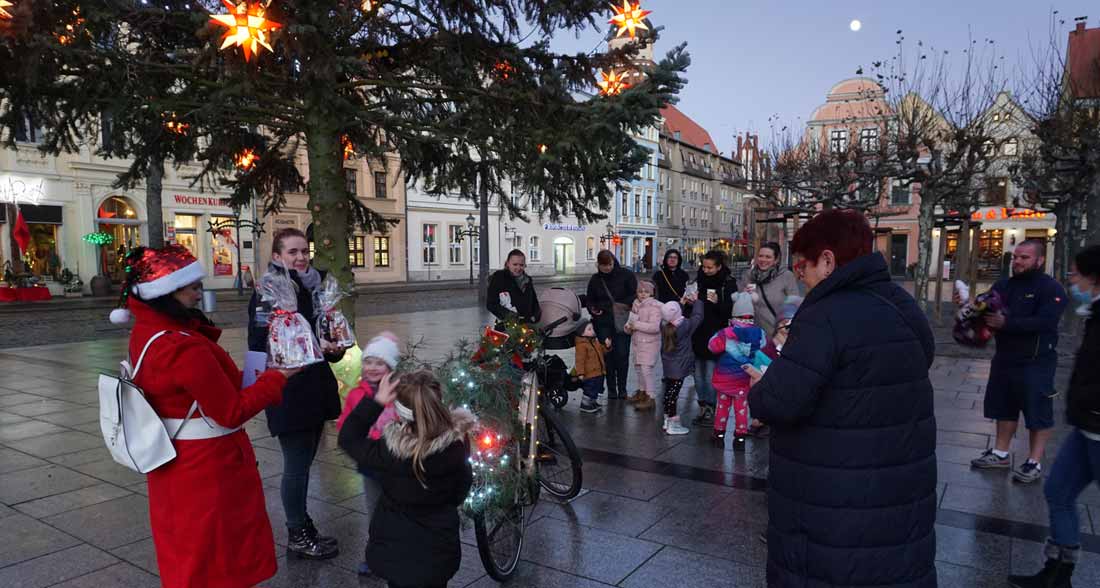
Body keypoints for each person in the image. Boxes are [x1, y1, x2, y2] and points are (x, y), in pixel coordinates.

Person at [747, 209, 936, 587]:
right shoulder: (900, 303)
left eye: (803, 265)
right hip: (897, 491)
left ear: (829, 261)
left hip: (832, 497)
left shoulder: (824, 315)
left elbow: (779, 401)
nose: (799, 275)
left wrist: (760, 386)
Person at [108, 244, 296, 588]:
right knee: (219, 557)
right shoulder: (184, 346)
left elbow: (203, 390)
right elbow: (230, 412)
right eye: (191, 286)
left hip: (172, 462)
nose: (199, 292)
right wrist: (277, 378)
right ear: (166, 292)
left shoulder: (149, 333)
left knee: (186, 552)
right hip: (209, 469)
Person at [248, 228, 346, 560]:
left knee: (304, 464)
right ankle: (297, 534)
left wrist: (333, 349)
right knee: (296, 465)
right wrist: (254, 389)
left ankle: (303, 525)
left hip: (314, 389)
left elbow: (325, 344)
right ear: (277, 257)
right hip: (286, 391)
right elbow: (255, 342)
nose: (301, 257)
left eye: (305, 251)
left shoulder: (314, 288)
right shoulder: (267, 292)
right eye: (292, 252)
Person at [1008, 245, 1100, 588]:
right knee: (1059, 492)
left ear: (1093, 278)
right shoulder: (1094, 313)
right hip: (1085, 426)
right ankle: (1058, 572)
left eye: (1075, 273)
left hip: (1097, 425)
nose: (1070, 280)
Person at [338, 371, 475, 588]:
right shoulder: (457, 445)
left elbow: (348, 438)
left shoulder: (388, 452)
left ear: (400, 414)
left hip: (394, 552)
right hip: (437, 552)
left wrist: (376, 402)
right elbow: (462, 487)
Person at [964, 239, 1068, 483]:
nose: (1018, 262)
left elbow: (1046, 322)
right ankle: (1000, 454)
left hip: (1037, 361)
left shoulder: (1051, 288)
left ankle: (1034, 462)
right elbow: (984, 306)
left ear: (1040, 260)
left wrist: (1007, 323)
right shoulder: (1004, 285)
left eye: (1025, 257)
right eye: (1016, 257)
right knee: (1003, 407)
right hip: (1005, 358)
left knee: (1038, 413)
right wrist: (970, 306)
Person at [335, 332, 401, 576]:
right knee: (374, 511)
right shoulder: (356, 394)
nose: (372, 367)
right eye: (368, 361)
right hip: (371, 467)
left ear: (390, 367)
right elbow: (345, 426)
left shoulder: (399, 394)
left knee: (399, 509)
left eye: (379, 363)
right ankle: (375, 555)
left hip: (396, 465)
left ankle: (398, 550)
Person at [707, 292, 769, 449]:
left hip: (725, 378)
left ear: (734, 315)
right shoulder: (760, 334)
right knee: (741, 409)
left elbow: (712, 347)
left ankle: (719, 434)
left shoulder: (726, 333)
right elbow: (763, 349)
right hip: (744, 378)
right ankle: (740, 438)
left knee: (722, 407)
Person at [689, 249, 738, 426]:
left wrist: (718, 303)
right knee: (697, 373)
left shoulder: (728, 283)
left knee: (710, 372)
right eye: (704, 267)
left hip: (715, 333)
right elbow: (692, 309)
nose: (706, 270)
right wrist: (689, 302)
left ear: (719, 266)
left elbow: (731, 310)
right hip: (698, 332)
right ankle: (702, 405)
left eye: (710, 267)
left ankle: (711, 406)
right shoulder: (699, 280)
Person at [585, 250, 637, 399]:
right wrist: (593, 309)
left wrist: (622, 304)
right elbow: (590, 299)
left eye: (610, 264)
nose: (607, 268)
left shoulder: (626, 275)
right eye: (604, 266)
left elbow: (634, 294)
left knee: (622, 355)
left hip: (622, 321)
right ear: (598, 265)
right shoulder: (595, 279)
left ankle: (622, 388)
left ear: (614, 262)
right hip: (603, 323)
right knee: (607, 356)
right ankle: (611, 390)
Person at [659, 293, 705, 435]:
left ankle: (667, 419)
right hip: (679, 366)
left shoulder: (663, 324)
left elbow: (673, 315)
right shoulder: (685, 326)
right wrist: (697, 301)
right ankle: (673, 423)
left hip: (668, 365)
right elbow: (698, 317)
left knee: (669, 392)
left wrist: (681, 304)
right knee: (674, 394)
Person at [741, 242, 800, 336]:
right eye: (761, 256)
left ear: (776, 260)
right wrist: (742, 296)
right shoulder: (748, 275)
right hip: (753, 335)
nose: (763, 260)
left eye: (768, 257)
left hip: (777, 334)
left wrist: (785, 327)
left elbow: (794, 306)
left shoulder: (786, 276)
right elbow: (739, 306)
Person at [625, 280, 662, 411]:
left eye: (646, 292)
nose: (642, 294)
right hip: (637, 342)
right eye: (640, 291)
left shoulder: (655, 307)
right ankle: (641, 392)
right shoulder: (636, 304)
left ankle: (650, 396)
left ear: (652, 293)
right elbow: (632, 321)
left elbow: (655, 327)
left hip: (649, 344)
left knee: (646, 370)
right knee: (639, 369)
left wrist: (637, 325)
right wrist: (628, 327)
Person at [487, 250, 541, 324]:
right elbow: (491, 304)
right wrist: (511, 316)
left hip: (527, 327)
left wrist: (535, 316)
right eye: (515, 264)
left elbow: (534, 302)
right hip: (506, 326)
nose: (518, 268)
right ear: (508, 264)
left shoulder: (527, 280)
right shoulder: (499, 278)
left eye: (521, 265)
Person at [574, 320, 611, 414]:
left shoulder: (595, 342)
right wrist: (580, 373)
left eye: (592, 328)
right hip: (589, 373)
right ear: (582, 333)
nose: (592, 331)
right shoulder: (582, 346)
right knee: (590, 389)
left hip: (599, 371)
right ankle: (585, 404)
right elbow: (580, 360)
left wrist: (607, 346)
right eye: (589, 329)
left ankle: (593, 402)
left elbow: (602, 351)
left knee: (598, 388)